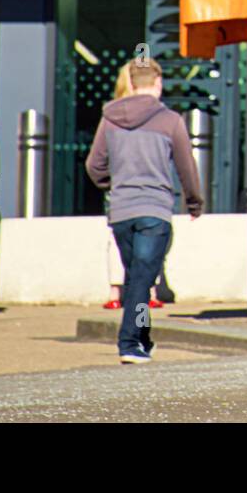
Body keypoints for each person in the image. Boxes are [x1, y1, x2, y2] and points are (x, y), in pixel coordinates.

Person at [85, 59, 204, 364]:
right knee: (141, 279)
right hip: (155, 209)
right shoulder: (170, 120)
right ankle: (128, 342)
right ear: (158, 82)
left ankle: (143, 336)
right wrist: (194, 202)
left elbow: (94, 165)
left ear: (132, 82)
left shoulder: (109, 118)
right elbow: (186, 166)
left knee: (136, 277)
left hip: (121, 211)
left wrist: (112, 185)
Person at [101, 63, 165, 311]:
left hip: (119, 187)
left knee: (116, 237)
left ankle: (115, 292)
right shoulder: (157, 114)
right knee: (152, 237)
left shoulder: (112, 113)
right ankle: (149, 290)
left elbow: (98, 159)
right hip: (149, 188)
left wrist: (108, 180)